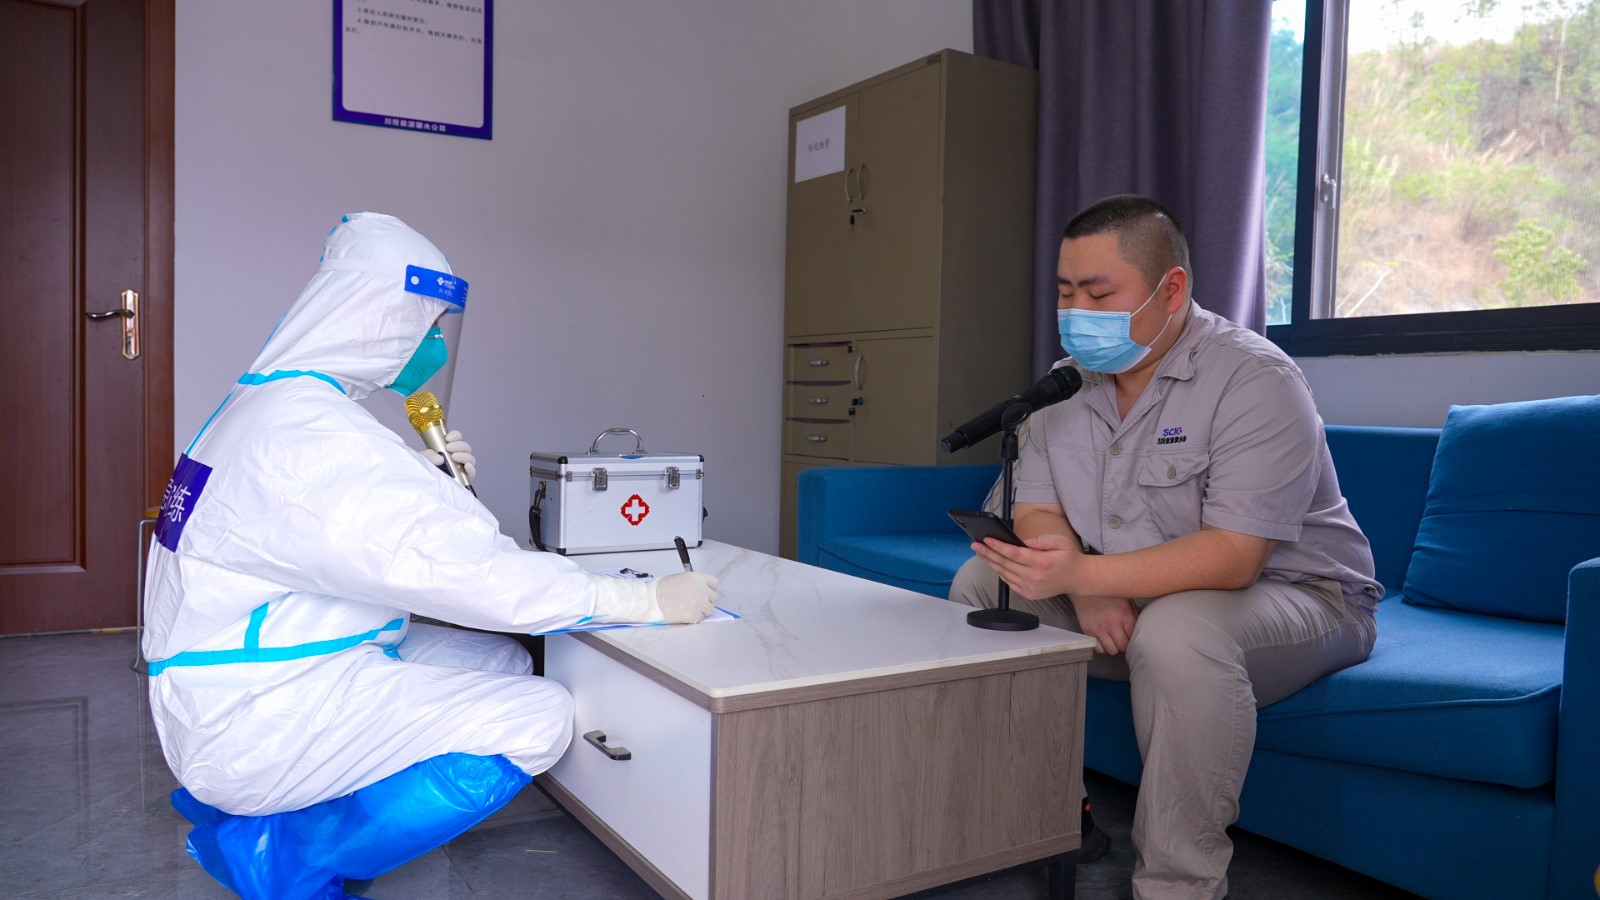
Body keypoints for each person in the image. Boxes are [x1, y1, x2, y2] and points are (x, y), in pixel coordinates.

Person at [142, 211, 719, 824]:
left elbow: (312, 517)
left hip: (244, 668)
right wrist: (644, 600)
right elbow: (473, 575)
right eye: (429, 324)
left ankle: (320, 792)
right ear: (379, 318)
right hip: (257, 716)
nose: (436, 344)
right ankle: (291, 848)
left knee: (505, 661)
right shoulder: (311, 433)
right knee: (541, 713)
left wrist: (419, 478)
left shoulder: (274, 402)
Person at [950, 195, 1379, 900]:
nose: (1076, 311)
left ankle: (1178, 883)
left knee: (1179, 631)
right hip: (1136, 596)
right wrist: (1084, 585)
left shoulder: (1255, 380)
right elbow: (1037, 507)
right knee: (981, 587)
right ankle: (1049, 818)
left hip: (1303, 597)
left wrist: (1091, 575)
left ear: (1171, 289)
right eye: (1065, 292)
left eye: (1099, 294)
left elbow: (1236, 556)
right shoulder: (1068, 383)